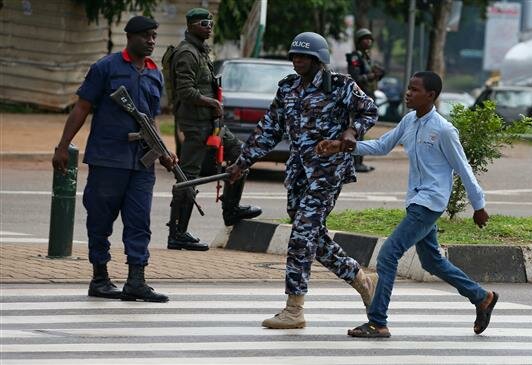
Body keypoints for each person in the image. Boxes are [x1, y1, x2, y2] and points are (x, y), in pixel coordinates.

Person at [317, 71, 499, 338]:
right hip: (416, 199)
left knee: (388, 254)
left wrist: (478, 205)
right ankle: (482, 297)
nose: (408, 93)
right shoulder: (409, 121)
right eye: (409, 88)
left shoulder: (444, 130)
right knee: (432, 262)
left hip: (429, 202)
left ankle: (377, 321)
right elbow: (381, 146)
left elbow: (464, 168)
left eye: (415, 89)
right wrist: (341, 146)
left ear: (431, 96)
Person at [226, 32, 380, 329]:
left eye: (303, 57)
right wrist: (242, 163)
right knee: (313, 238)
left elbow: (369, 111)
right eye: (294, 56)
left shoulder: (340, 86)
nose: (297, 61)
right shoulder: (288, 89)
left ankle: (294, 308)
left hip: (328, 171)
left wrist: (351, 132)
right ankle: (362, 280)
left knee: (301, 235)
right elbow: (269, 129)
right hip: (298, 172)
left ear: (317, 59)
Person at [52, 16, 171, 303]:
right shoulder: (106, 68)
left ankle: (136, 281)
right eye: (145, 36)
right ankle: (100, 278)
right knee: (100, 220)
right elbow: (82, 107)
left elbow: (151, 120)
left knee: (139, 220)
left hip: (142, 163)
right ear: (129, 37)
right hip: (108, 158)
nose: (151, 41)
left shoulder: (155, 73)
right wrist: (62, 145)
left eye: (154, 36)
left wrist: (165, 151)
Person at [167, 8, 262, 251]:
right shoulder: (187, 53)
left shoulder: (201, 51)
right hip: (196, 124)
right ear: (190, 26)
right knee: (188, 176)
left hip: (211, 122)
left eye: (210, 22)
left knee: (240, 154)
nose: (208, 26)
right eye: (202, 23)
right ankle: (177, 233)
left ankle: (230, 210)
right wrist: (211, 102)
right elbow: (184, 91)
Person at [346, 28, 385, 173]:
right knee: (357, 129)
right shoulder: (354, 57)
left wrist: (379, 74)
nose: (368, 41)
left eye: (370, 38)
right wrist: (371, 76)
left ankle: (358, 162)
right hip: (359, 97)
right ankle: (355, 163)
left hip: (368, 95)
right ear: (358, 41)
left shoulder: (367, 57)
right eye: (364, 38)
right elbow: (355, 78)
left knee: (361, 130)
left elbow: (373, 75)